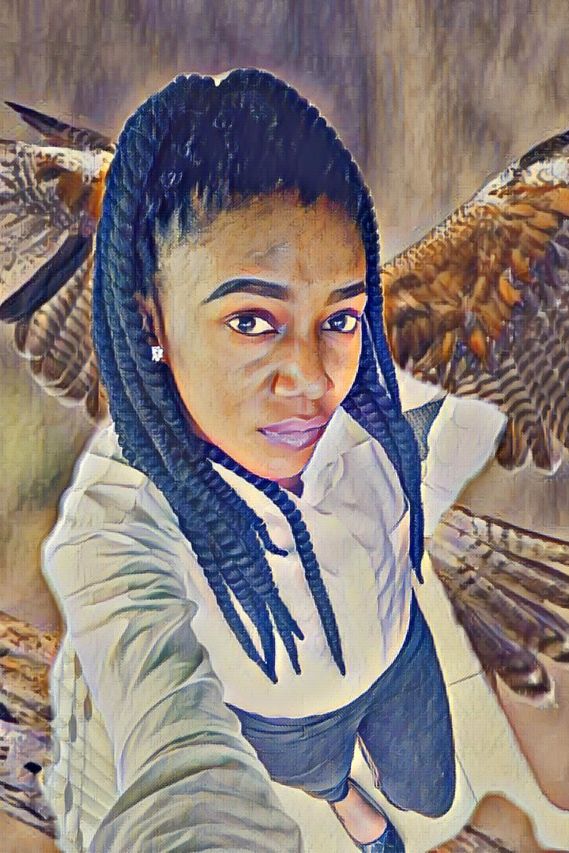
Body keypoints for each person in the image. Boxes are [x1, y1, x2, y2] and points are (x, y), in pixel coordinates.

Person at [40, 68, 462, 852]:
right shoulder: (123, 516)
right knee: (327, 777)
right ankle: (348, 805)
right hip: (284, 716)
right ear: (151, 321)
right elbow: (182, 771)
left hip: (397, 653)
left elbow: (486, 389)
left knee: (431, 791)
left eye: (340, 317)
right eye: (251, 321)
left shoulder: (379, 388)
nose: (311, 377)